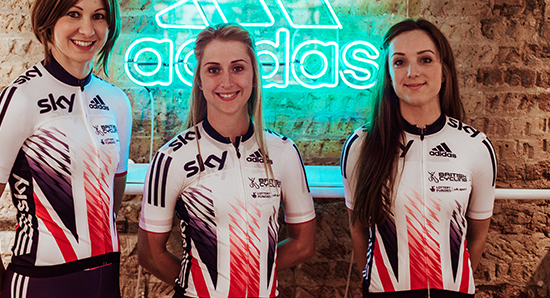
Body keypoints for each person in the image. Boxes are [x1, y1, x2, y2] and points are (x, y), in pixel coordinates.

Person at [0, 0, 132, 298]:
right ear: (49, 19)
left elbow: (112, 195)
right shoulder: (18, 100)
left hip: (106, 278)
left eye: (98, 16)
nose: (87, 29)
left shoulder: (116, 102)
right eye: (73, 13)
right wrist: (0, 286)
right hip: (40, 281)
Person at [138, 24, 316, 298]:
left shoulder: (283, 151)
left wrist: (249, 276)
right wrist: (201, 286)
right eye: (213, 70)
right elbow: (150, 255)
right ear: (199, 81)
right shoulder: (171, 157)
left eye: (238, 68)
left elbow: (303, 244)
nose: (227, 82)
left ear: (254, 76)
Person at [341, 18, 497, 297]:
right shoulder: (361, 145)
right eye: (400, 62)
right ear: (389, 76)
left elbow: (478, 234)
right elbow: (358, 227)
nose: (412, 72)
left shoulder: (475, 145)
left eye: (425, 59)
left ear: (444, 71)